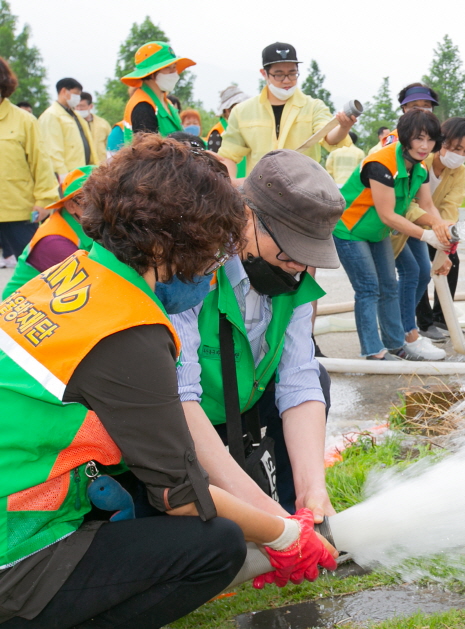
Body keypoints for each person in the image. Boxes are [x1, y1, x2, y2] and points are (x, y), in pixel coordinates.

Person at [0, 136, 334, 628]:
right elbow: (179, 494)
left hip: (24, 496)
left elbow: (302, 379)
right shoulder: (130, 326)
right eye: (208, 252)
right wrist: (281, 535)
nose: (214, 266)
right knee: (215, 544)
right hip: (15, 543)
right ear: (163, 244)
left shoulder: (77, 273)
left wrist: (294, 508)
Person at [172, 150, 343, 520]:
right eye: (289, 250)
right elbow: (178, 396)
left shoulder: (294, 278)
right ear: (246, 216)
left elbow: (297, 380)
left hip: (242, 406)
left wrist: (312, 488)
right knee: (214, 536)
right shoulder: (193, 269)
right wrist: (261, 515)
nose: (298, 265)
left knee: (318, 378)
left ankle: (293, 505)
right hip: (185, 419)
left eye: (308, 253)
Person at [334, 111, 452, 360]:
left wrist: (443, 236)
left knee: (389, 286)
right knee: (368, 288)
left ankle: (396, 345)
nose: (424, 146)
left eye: (430, 140)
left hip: (377, 233)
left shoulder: (418, 169)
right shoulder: (381, 163)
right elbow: (388, 214)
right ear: (406, 137)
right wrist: (426, 235)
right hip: (350, 230)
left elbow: (426, 206)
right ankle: (373, 351)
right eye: (419, 138)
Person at [217, 42, 354, 174]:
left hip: (304, 190)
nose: (287, 80)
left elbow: (328, 137)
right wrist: (231, 184)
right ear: (264, 74)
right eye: (279, 74)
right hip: (260, 191)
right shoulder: (242, 111)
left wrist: (343, 127)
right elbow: (228, 156)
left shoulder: (313, 107)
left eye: (292, 73)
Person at [405, 117, 465, 339]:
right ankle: (424, 323)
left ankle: (442, 317)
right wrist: (434, 227)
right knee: (418, 268)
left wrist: (445, 242)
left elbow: (450, 206)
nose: (460, 155)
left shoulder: (459, 171)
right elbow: (409, 205)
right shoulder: (419, 163)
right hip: (409, 224)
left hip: (437, 223)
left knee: (451, 262)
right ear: (440, 141)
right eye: (455, 148)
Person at [0, 58, 59, 269]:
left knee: (38, 273)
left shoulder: (24, 120)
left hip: (19, 212)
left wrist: (44, 200)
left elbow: (40, 162)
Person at [2, 166, 93, 297]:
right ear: (71, 206)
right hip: (27, 313)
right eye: (90, 201)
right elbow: (91, 288)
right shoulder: (56, 242)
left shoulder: (83, 224)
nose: (103, 205)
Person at [119, 42, 194, 143]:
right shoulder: (142, 107)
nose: (174, 72)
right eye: (167, 67)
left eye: (174, 66)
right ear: (151, 73)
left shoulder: (168, 103)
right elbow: (149, 152)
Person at [38, 76, 96, 175]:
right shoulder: (51, 115)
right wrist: (62, 175)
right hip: (66, 175)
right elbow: (53, 150)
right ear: (64, 91)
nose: (77, 98)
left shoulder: (74, 115)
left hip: (82, 172)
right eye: (75, 94)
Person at [76, 92, 111, 165]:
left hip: (100, 166)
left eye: (82, 106)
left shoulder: (103, 124)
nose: (79, 109)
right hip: (79, 166)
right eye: (77, 106)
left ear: (90, 106)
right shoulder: (71, 124)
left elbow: (110, 146)